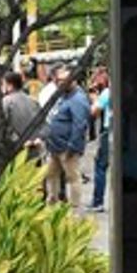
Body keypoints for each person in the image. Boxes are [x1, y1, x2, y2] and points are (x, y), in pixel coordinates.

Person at [41, 65, 90, 206]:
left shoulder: (78, 99)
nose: (59, 83)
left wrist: (72, 147)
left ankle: (75, 206)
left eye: (63, 80)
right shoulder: (64, 96)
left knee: (73, 177)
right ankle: (52, 200)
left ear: (73, 80)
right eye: (57, 80)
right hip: (54, 147)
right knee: (50, 174)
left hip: (67, 148)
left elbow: (79, 126)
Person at [0, 70, 42, 188]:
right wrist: (37, 138)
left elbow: (3, 126)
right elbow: (42, 123)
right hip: (34, 147)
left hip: (15, 148)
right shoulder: (33, 101)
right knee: (33, 181)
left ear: (9, 85)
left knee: (17, 183)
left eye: (3, 84)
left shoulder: (6, 102)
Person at [86, 68, 114, 211]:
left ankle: (98, 201)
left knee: (100, 166)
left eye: (95, 78)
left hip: (107, 132)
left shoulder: (106, 93)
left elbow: (94, 111)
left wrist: (93, 98)